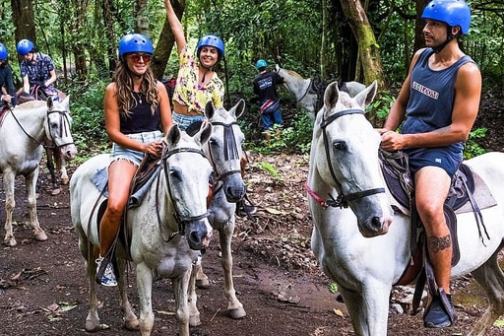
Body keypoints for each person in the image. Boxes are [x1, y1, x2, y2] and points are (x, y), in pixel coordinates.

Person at [380, 0, 481, 329]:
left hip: (440, 152)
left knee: (427, 205)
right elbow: (401, 100)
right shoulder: (421, 57)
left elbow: (460, 130)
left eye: (433, 25)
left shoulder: (466, 71)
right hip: (404, 140)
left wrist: (406, 141)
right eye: (425, 24)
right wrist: (386, 131)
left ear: (453, 31)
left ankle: (442, 292)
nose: (425, 30)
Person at [164, 0, 256, 217]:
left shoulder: (217, 84)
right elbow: (177, 29)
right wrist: (168, 4)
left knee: (238, 158)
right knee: (161, 157)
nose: (207, 54)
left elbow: (217, 112)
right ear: (199, 53)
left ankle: (239, 196)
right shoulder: (186, 61)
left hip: (202, 125)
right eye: (204, 50)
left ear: (218, 57)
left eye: (212, 52)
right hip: (176, 122)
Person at [97, 33, 172, 286]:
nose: (140, 60)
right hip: (127, 150)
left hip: (158, 145)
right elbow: (113, 132)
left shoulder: (159, 88)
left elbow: (168, 124)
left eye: (145, 57)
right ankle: (104, 257)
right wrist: (142, 146)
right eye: (135, 56)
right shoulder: (113, 90)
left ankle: (190, 251)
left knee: (190, 187)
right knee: (116, 204)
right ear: (125, 59)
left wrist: (168, 143)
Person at [253, 59, 284, 132]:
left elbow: (256, 92)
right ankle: (279, 142)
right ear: (266, 66)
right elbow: (281, 80)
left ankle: (269, 143)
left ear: (258, 68)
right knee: (278, 124)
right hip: (274, 104)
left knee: (267, 127)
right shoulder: (273, 75)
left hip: (264, 106)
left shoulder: (256, 80)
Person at [0, 42, 16, 108]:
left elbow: (10, 86)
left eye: (1, 61)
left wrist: (12, 100)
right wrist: (2, 97)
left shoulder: (6, 69)